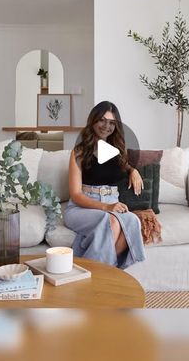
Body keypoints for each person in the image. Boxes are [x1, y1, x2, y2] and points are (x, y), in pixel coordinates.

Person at [64, 101, 146, 269]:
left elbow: (123, 165)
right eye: (102, 120)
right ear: (93, 120)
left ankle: (103, 272)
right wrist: (106, 207)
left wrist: (133, 171)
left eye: (112, 123)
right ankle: (97, 275)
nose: (106, 126)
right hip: (82, 207)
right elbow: (76, 194)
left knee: (132, 221)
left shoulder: (117, 151)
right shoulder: (78, 152)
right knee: (110, 221)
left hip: (112, 203)